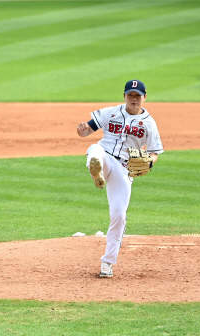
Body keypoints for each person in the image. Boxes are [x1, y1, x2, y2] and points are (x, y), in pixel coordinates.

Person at [76, 79, 164, 278]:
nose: (134, 99)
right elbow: (87, 130)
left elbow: (155, 152)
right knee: (95, 149)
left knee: (119, 215)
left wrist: (149, 161)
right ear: (124, 96)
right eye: (130, 95)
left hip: (124, 168)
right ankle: (95, 170)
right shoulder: (111, 112)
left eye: (138, 96)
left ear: (144, 97)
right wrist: (82, 131)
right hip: (105, 156)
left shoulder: (149, 123)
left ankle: (107, 262)